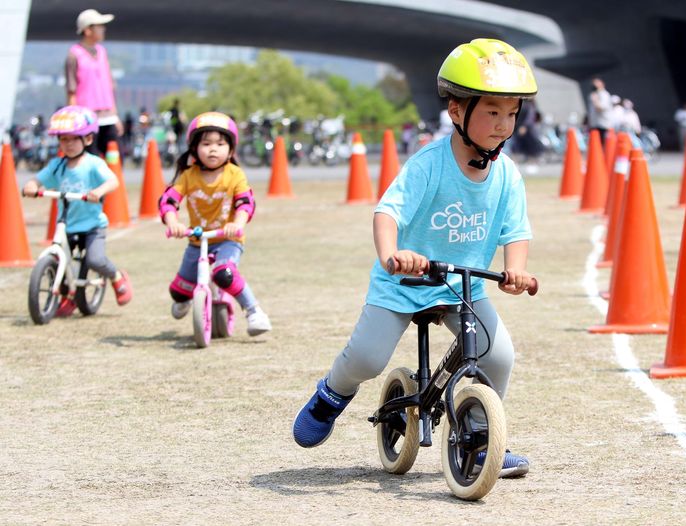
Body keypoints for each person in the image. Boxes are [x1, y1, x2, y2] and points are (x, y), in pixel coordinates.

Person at [293, 38, 537, 478]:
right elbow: (388, 211)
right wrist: (392, 255)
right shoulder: (428, 165)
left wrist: (515, 268)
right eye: (492, 112)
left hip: (462, 285)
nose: (504, 125)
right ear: (457, 111)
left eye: (512, 114)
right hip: (403, 283)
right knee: (367, 357)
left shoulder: (507, 175)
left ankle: (481, 441)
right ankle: (331, 394)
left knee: (496, 355)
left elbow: (515, 230)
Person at [158, 111, 272, 336]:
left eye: (220, 144)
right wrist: (173, 222)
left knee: (224, 273)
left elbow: (245, 203)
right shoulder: (188, 176)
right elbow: (168, 200)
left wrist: (237, 223)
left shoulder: (234, 174)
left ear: (231, 149)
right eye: (206, 143)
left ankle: (254, 311)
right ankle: (189, 298)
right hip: (197, 240)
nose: (212, 149)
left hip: (228, 239)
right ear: (194, 148)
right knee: (179, 292)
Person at [22, 106, 133, 315]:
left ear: (88, 140)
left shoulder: (93, 164)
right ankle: (68, 295)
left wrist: (98, 191)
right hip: (67, 224)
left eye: (74, 139)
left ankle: (117, 276)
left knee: (95, 259)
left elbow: (113, 181)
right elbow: (39, 179)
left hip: (92, 225)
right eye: (64, 139)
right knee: (60, 258)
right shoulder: (57, 165)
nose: (69, 144)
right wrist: (32, 186)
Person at [65, 9, 123, 157]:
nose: (103, 29)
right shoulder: (74, 55)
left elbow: (109, 86)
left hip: (108, 116)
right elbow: (71, 90)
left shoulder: (102, 52)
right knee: (91, 158)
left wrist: (115, 116)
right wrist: (74, 121)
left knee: (115, 156)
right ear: (87, 30)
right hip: (87, 117)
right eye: (99, 26)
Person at [587, 77, 613, 143]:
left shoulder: (604, 94)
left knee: (602, 145)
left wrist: (595, 100)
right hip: (595, 124)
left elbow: (600, 108)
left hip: (602, 125)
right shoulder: (594, 94)